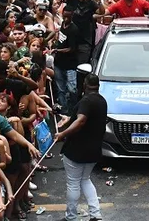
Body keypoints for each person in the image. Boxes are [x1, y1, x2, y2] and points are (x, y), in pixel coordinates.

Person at [54, 73, 106, 221]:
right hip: (94, 150)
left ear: (84, 84)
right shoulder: (102, 101)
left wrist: (62, 134)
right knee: (85, 179)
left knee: (73, 183)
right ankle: (95, 214)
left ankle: (71, 217)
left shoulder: (86, 101)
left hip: (77, 150)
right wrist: (68, 119)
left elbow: (81, 120)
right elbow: (82, 119)